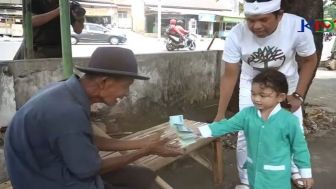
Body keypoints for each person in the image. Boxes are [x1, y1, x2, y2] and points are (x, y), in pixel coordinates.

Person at [5, 47, 183, 189]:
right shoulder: (67, 112)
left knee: (142, 175)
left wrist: (141, 143)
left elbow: (83, 139)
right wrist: (146, 151)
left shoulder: (66, 92)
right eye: (126, 86)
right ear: (104, 82)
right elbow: (89, 170)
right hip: (46, 181)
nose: (127, 93)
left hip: (44, 169)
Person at [213, 0, 317, 188]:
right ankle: (246, 179)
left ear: (280, 14)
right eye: (250, 20)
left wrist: (299, 95)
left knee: (294, 129)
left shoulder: (299, 25)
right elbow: (229, 74)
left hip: (286, 83)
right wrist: (220, 114)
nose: (256, 26)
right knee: (246, 130)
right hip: (251, 84)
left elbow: (310, 59)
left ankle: (294, 170)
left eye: (263, 19)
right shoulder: (236, 33)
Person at [198, 69, 314, 189]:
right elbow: (226, 125)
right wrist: (201, 131)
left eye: (263, 95)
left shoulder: (289, 121)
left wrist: (305, 174)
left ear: (280, 97)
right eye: (253, 94)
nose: (256, 99)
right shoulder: (246, 114)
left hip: (277, 178)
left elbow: (300, 148)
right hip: (254, 174)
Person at [13, 0, 85, 59]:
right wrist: (59, 10)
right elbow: (30, 22)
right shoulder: (35, 2)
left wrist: (78, 19)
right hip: (38, 50)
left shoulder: (69, 5)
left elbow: (78, 30)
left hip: (59, 50)